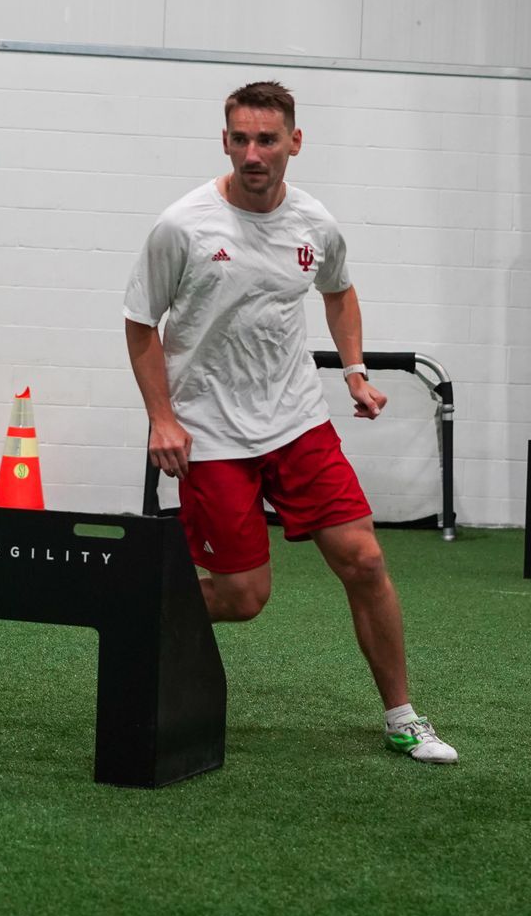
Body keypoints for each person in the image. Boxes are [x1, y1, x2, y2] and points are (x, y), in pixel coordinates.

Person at [122, 80, 458, 764]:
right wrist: (162, 419)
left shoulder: (315, 224)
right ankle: (139, 597)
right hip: (211, 432)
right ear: (225, 142)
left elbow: (340, 292)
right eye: (241, 139)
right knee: (245, 598)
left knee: (364, 560)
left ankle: (402, 715)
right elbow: (138, 325)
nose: (254, 153)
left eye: (267, 140)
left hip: (298, 421)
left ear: (294, 143)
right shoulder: (182, 227)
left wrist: (356, 372)